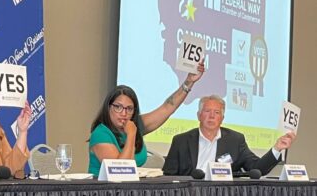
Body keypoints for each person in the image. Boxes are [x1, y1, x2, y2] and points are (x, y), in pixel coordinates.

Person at [88, 63, 205, 175]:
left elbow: (167, 108)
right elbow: (121, 170)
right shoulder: (101, 133)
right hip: (105, 192)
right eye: (118, 107)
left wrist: (189, 82)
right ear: (108, 107)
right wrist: (132, 134)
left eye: (129, 109)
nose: (124, 113)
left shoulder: (135, 124)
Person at [162, 95, 296, 176]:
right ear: (199, 115)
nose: (212, 116)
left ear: (222, 118)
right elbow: (167, 176)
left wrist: (277, 149)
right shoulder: (181, 141)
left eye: (217, 112)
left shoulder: (235, 141)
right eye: (207, 111)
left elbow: (257, 168)